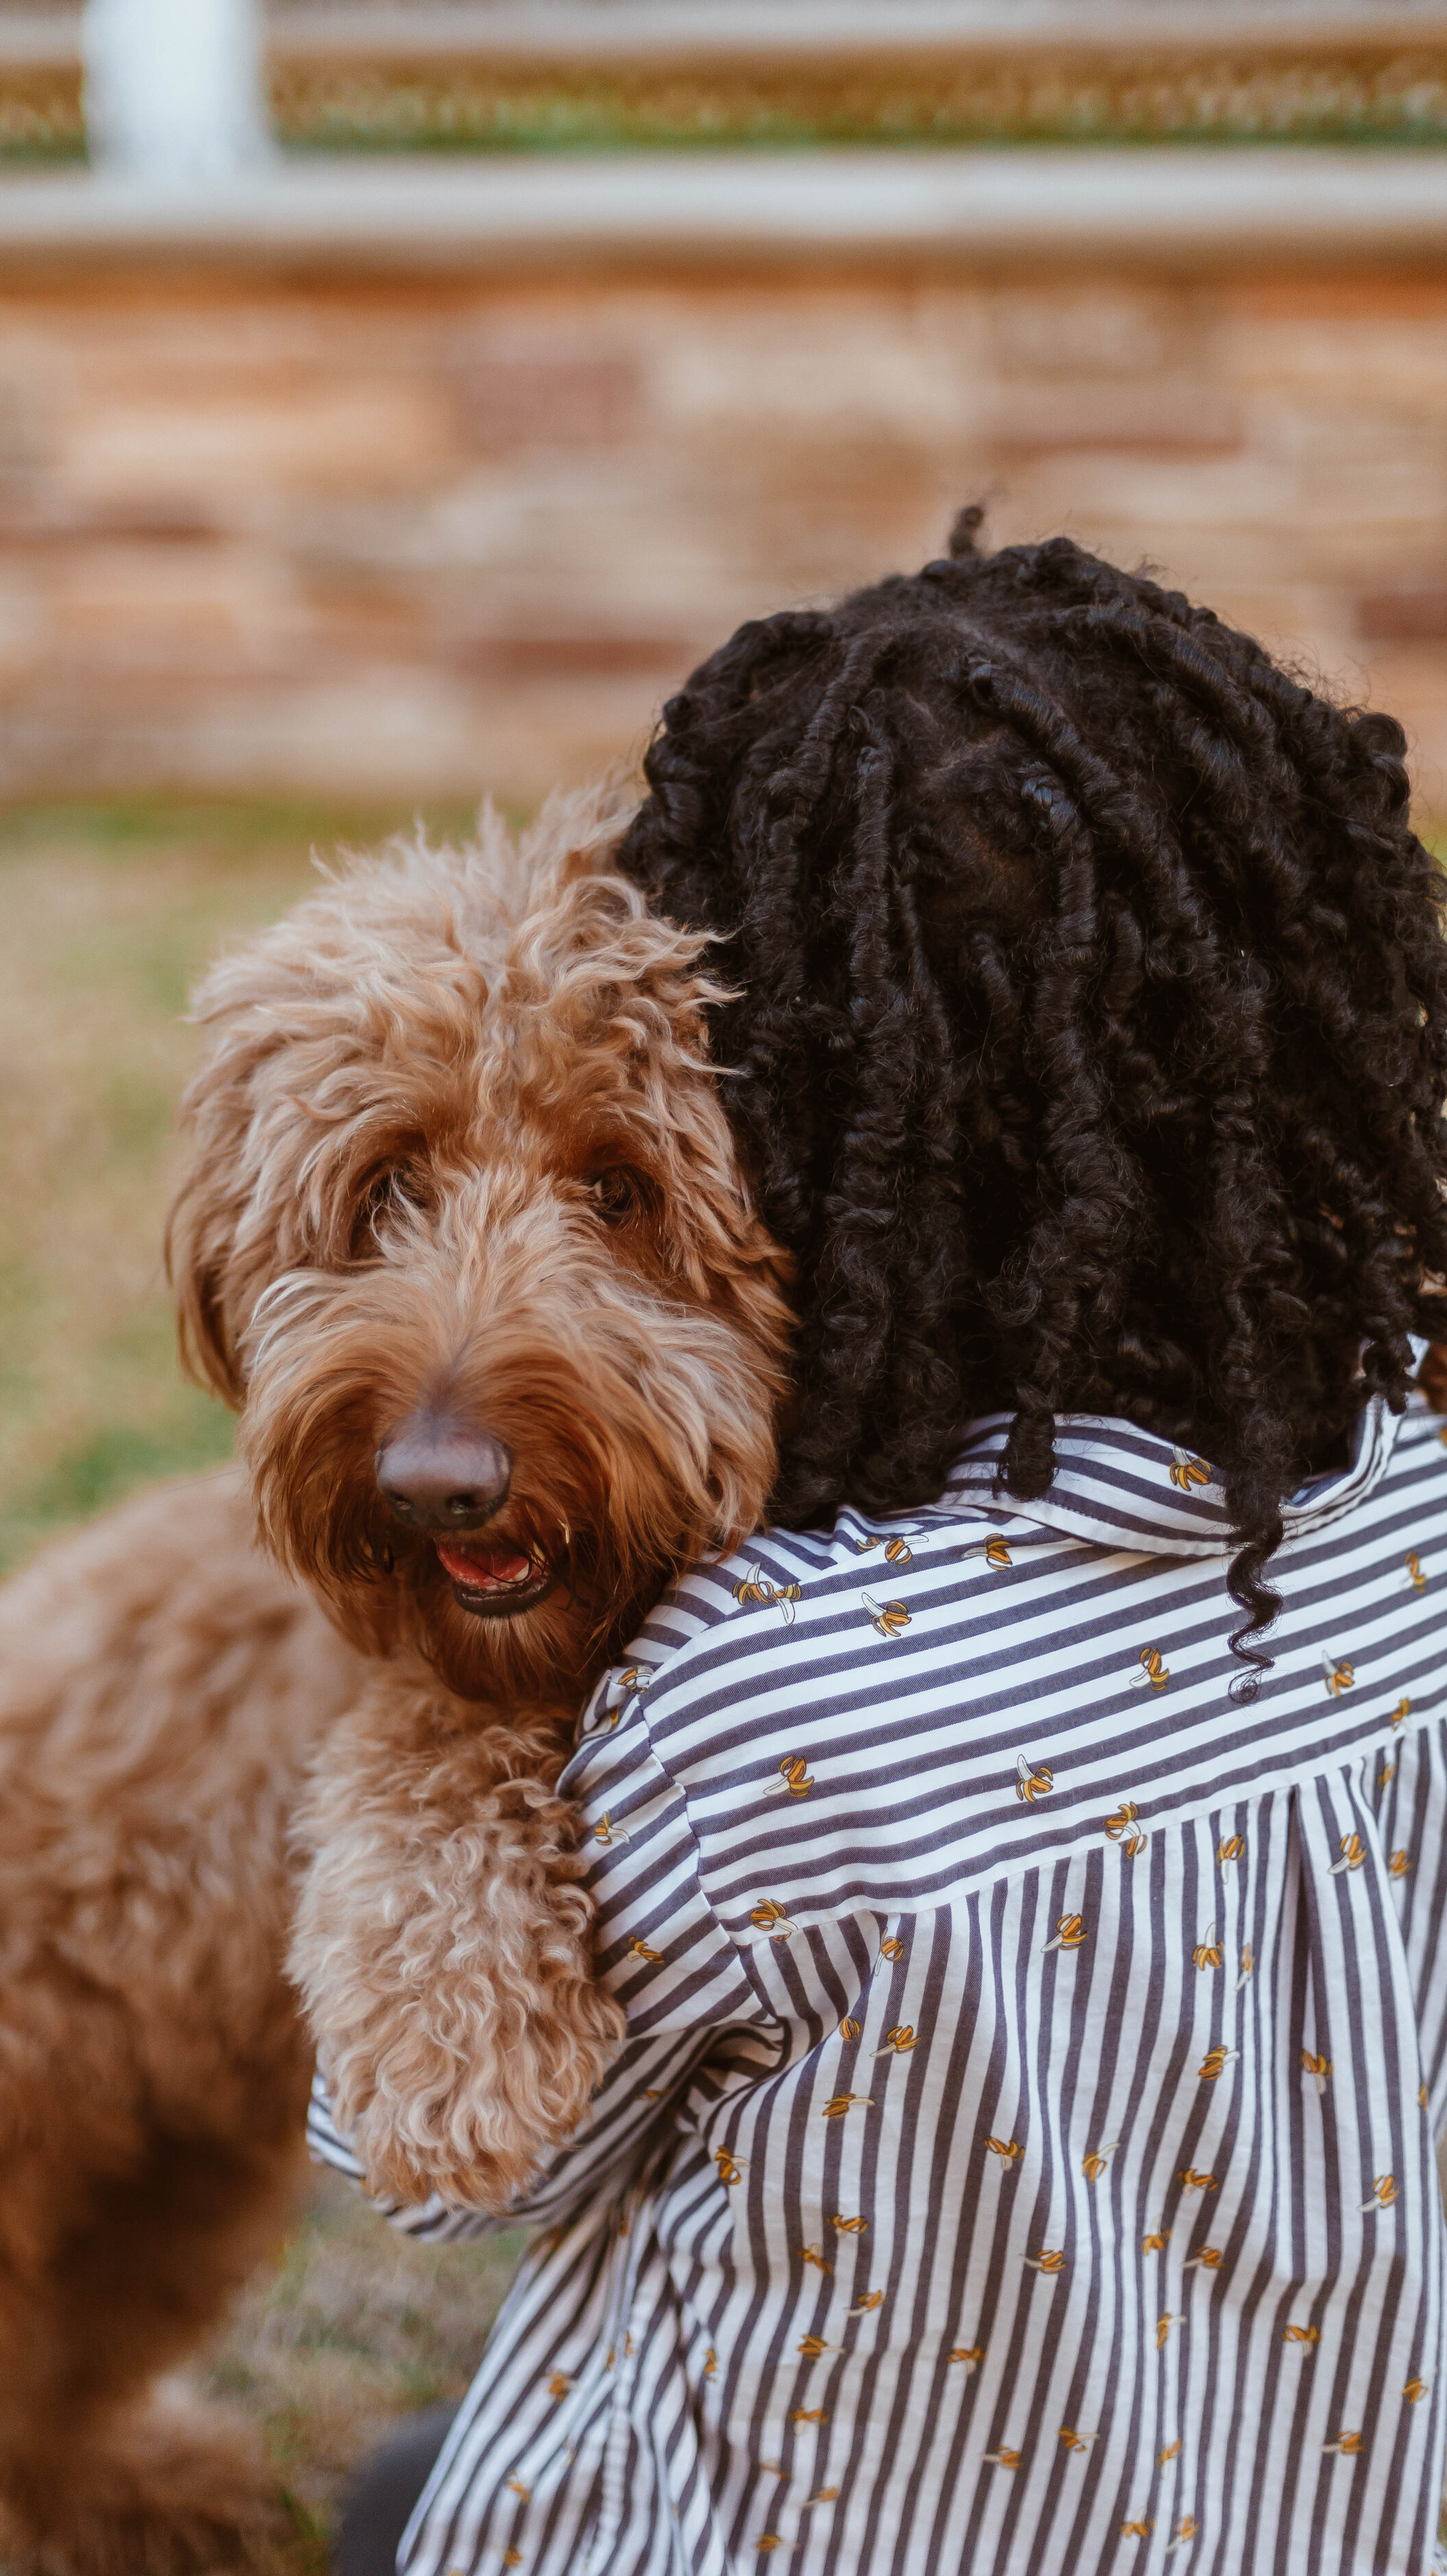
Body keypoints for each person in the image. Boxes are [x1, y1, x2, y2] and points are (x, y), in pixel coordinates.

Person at [320, 519, 1447, 2574]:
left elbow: (456, 2170)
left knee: (416, 2500)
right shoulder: (1414, 1486)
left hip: (859, 2516)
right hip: (1337, 2499)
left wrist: (447, 1745)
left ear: (798, 1109)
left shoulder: (752, 1698)